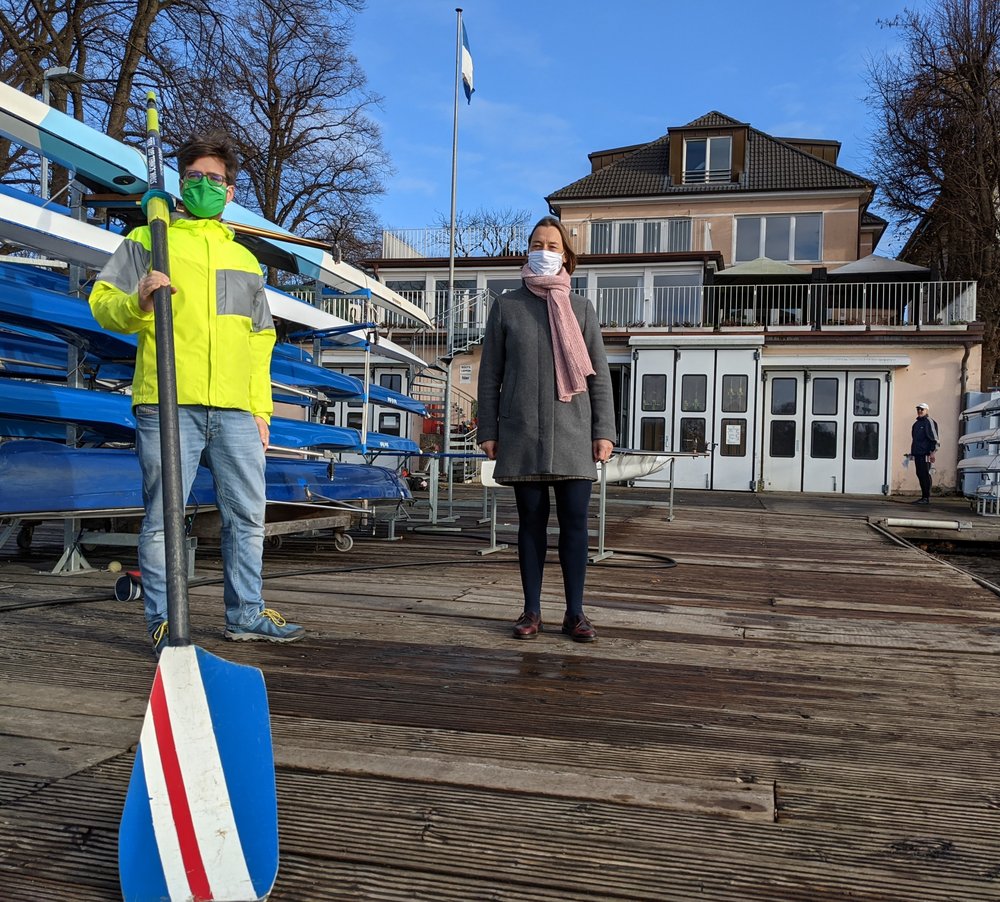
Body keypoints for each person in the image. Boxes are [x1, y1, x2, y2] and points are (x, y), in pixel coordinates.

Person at [90, 132, 304, 655]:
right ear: (180, 183)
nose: (205, 185)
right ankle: (165, 622)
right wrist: (137, 303)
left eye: (215, 179)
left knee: (247, 515)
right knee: (166, 517)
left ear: (230, 191)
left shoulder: (246, 261)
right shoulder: (149, 240)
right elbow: (101, 303)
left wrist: (260, 408)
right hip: (167, 399)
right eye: (195, 178)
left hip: (235, 408)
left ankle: (246, 614)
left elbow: (260, 340)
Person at [477, 215, 616, 642]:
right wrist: (488, 428)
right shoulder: (507, 305)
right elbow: (490, 375)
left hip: (574, 433)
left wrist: (604, 430)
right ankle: (531, 611)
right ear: (528, 251)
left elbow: (600, 376)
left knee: (575, 524)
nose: (545, 251)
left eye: (553, 245)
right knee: (530, 524)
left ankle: (575, 613)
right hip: (523, 433)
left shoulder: (582, 309)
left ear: (566, 256)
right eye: (538, 244)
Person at [910, 402, 940, 504]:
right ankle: (923, 496)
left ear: (926, 410)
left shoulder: (929, 422)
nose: (919, 411)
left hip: (925, 454)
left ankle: (926, 497)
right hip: (918, 453)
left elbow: (935, 439)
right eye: (918, 409)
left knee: (925, 474)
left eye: (922, 409)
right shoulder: (916, 424)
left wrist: (932, 452)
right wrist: (912, 453)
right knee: (919, 474)